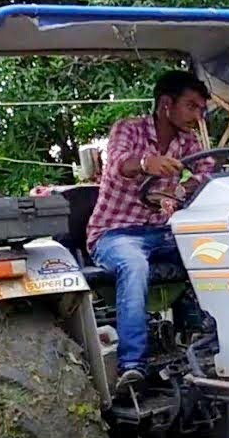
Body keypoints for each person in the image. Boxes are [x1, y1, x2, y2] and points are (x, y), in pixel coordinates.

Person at [87, 70, 214, 392]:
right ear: (165, 104)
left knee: (210, 251)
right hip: (115, 233)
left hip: (161, 231)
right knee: (135, 265)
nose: (197, 115)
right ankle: (133, 365)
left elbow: (208, 170)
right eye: (191, 106)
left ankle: (202, 338)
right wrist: (146, 164)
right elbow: (119, 164)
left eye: (201, 109)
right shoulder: (128, 129)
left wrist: (187, 189)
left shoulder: (189, 142)